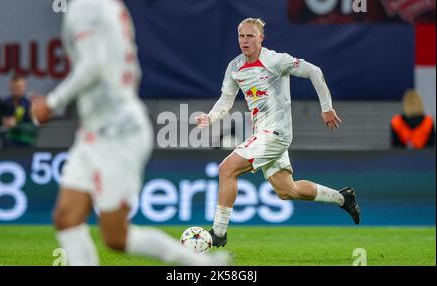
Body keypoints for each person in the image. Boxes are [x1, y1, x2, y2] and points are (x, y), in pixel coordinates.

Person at [31, 0, 229, 266]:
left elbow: (93, 66)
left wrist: (51, 103)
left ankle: (204, 264)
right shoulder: (113, 7)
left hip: (118, 134)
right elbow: (130, 70)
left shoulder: (85, 7)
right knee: (66, 217)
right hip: (96, 130)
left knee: (116, 236)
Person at [195, 18, 361, 247]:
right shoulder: (235, 67)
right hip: (262, 133)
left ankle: (219, 233)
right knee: (287, 190)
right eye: (241, 36)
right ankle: (343, 198)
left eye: (250, 36)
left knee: (226, 169)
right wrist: (210, 117)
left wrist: (326, 107)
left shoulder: (275, 61)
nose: (245, 40)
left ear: (261, 38)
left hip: (276, 133)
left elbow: (314, 71)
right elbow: (226, 99)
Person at [0, 74, 38, 147]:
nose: (16, 90)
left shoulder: (30, 104)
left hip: (25, 146)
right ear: (10, 86)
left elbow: (33, 129)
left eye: (18, 87)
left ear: (24, 87)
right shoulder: (4, 103)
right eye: (14, 87)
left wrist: (16, 125)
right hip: (4, 145)